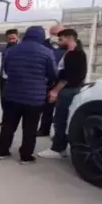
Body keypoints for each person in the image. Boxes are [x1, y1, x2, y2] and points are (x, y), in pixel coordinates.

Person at [0, 26, 58, 164]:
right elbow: (53, 74)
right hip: (34, 97)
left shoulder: (12, 50)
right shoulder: (46, 52)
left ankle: (2, 151)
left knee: (8, 125)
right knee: (30, 128)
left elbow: (5, 69)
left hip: (11, 94)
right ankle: (25, 156)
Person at [38, 29, 87, 159]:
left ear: (70, 38)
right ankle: (61, 146)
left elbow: (67, 77)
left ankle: (57, 149)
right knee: (61, 118)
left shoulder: (74, 54)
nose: (58, 42)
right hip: (70, 89)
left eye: (61, 39)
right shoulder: (73, 53)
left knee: (60, 119)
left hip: (67, 90)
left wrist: (55, 91)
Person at [37, 24, 66, 137]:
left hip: (62, 81)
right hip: (46, 80)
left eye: (59, 34)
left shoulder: (66, 47)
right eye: (54, 34)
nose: (56, 36)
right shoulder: (43, 45)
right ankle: (44, 129)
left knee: (61, 108)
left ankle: (60, 132)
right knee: (46, 107)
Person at [0, 29, 19, 127]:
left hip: (14, 78)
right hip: (3, 77)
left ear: (17, 36)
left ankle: (11, 121)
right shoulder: (5, 48)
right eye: (9, 37)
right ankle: (5, 120)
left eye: (13, 37)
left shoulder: (21, 47)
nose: (11, 39)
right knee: (3, 99)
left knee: (12, 100)